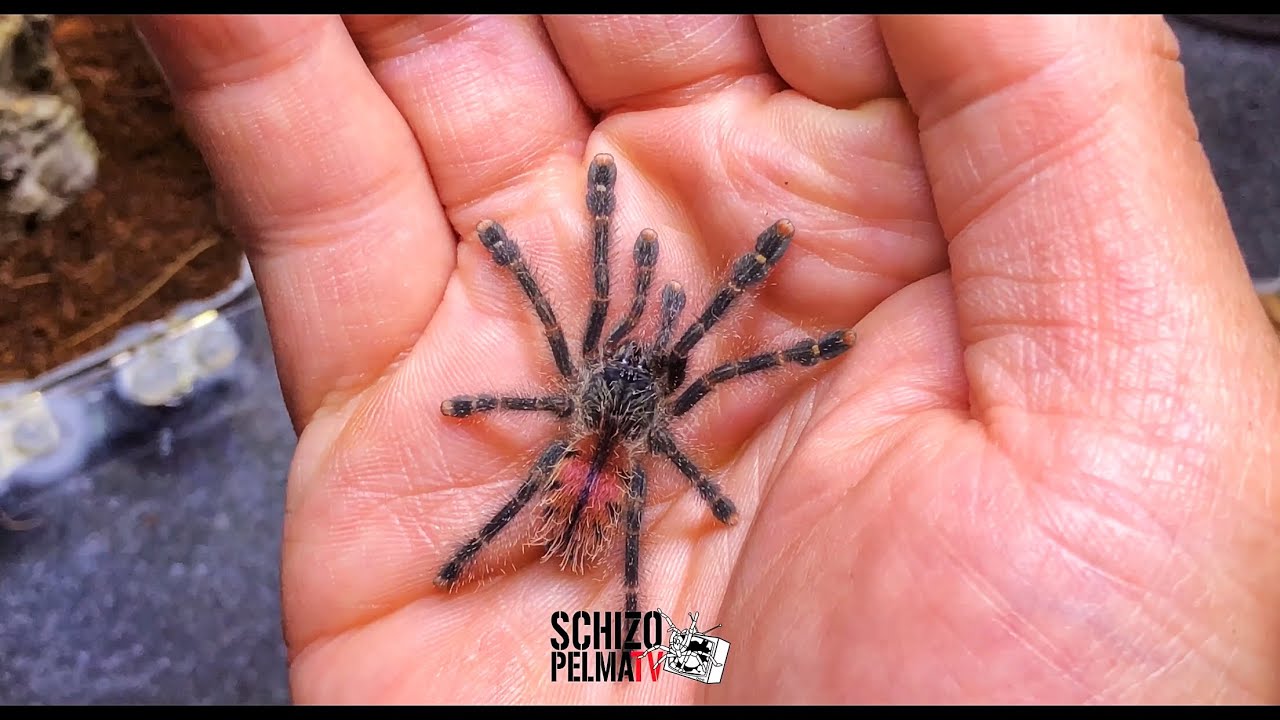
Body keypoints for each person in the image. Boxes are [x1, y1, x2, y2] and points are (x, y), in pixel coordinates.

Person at [134, 15, 1280, 704]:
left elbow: (555, 312)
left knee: (576, 367)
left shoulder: (587, 395)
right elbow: (692, 370)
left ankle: (526, 584)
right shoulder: (642, 435)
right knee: (649, 409)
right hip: (624, 534)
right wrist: (683, 662)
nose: (638, 363)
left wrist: (686, 656)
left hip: (600, 502)